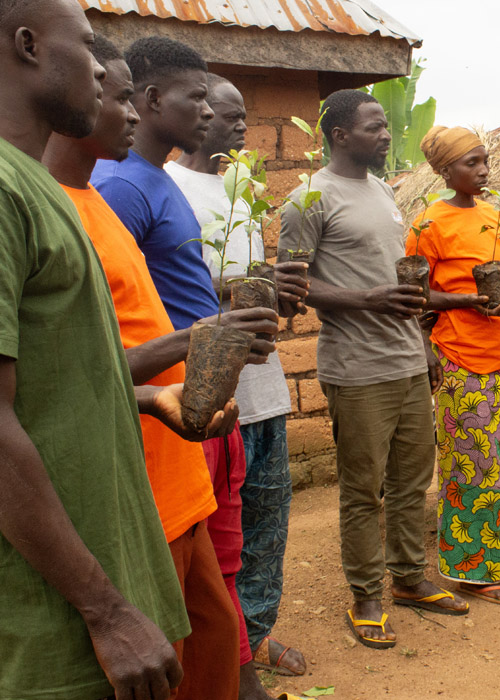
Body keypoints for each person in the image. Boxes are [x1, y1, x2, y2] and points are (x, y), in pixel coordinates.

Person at [41, 34, 292, 697]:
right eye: (113, 95)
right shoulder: (90, 198)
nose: (121, 111)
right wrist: (199, 342)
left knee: (208, 645)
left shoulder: (100, 202)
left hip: (178, 464)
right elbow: (71, 374)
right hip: (143, 484)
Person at [0, 2, 187, 696]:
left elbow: (47, 384)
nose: (105, 70)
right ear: (26, 45)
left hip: (90, 584)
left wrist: (142, 397)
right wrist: (106, 612)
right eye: (84, 46)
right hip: (52, 623)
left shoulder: (36, 187)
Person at [279, 91, 469, 650]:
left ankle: (409, 578)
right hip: (357, 367)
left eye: (386, 126)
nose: (387, 135)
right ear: (340, 135)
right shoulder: (308, 198)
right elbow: (295, 285)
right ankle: (366, 593)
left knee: (412, 480)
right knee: (364, 489)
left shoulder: (383, 190)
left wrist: (423, 344)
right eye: (375, 126)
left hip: (407, 359)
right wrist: (369, 300)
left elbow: (399, 284)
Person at [165, 73, 306, 678]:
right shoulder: (170, 188)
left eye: (247, 115)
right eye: (228, 113)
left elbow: (249, 282)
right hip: (216, 389)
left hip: (266, 384)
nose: (242, 125)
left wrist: (277, 291)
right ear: (198, 115)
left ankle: (255, 633)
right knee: (221, 534)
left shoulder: (243, 192)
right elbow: (182, 291)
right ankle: (226, 655)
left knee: (267, 522)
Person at [415, 125, 500, 603]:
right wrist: (467, 301)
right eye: (471, 163)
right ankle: (473, 571)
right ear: (445, 171)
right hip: (463, 359)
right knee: (473, 466)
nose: (483, 170)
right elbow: (415, 292)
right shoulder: (429, 224)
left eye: (484, 160)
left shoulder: (492, 215)